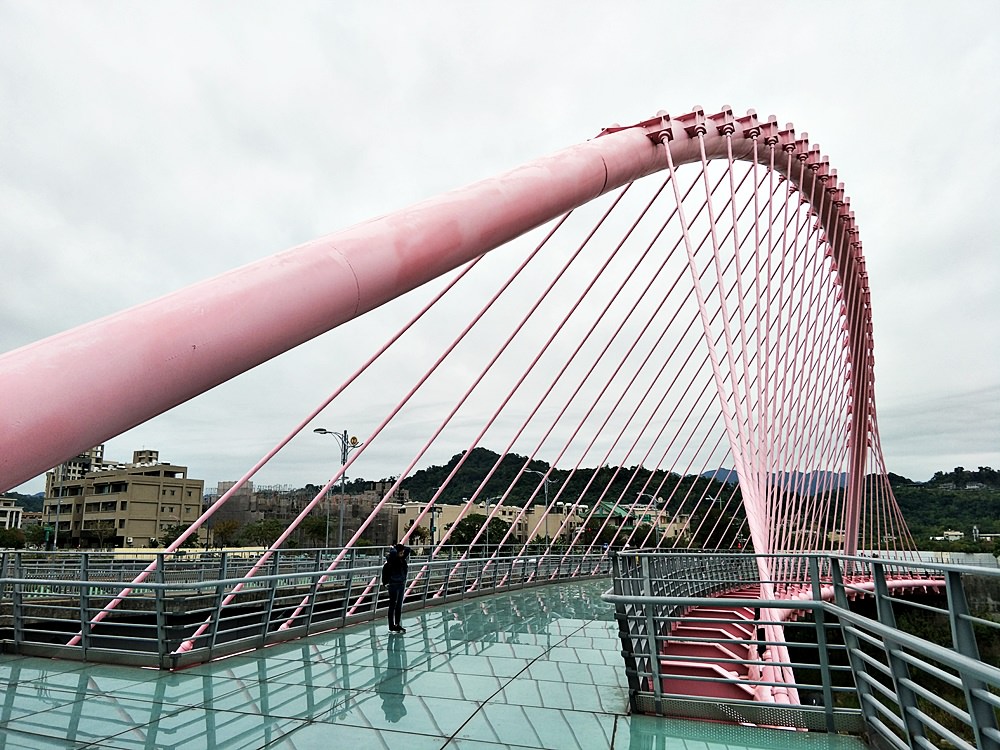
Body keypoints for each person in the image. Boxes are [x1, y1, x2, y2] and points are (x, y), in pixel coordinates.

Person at [384, 542, 410, 634]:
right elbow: (394, 553)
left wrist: (399, 548)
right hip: (394, 584)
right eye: (401, 552)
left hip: (401, 584)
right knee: (393, 605)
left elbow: (408, 549)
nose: (403, 554)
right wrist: (394, 549)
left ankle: (397, 624)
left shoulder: (402, 559)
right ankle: (391, 626)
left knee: (399, 605)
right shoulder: (392, 560)